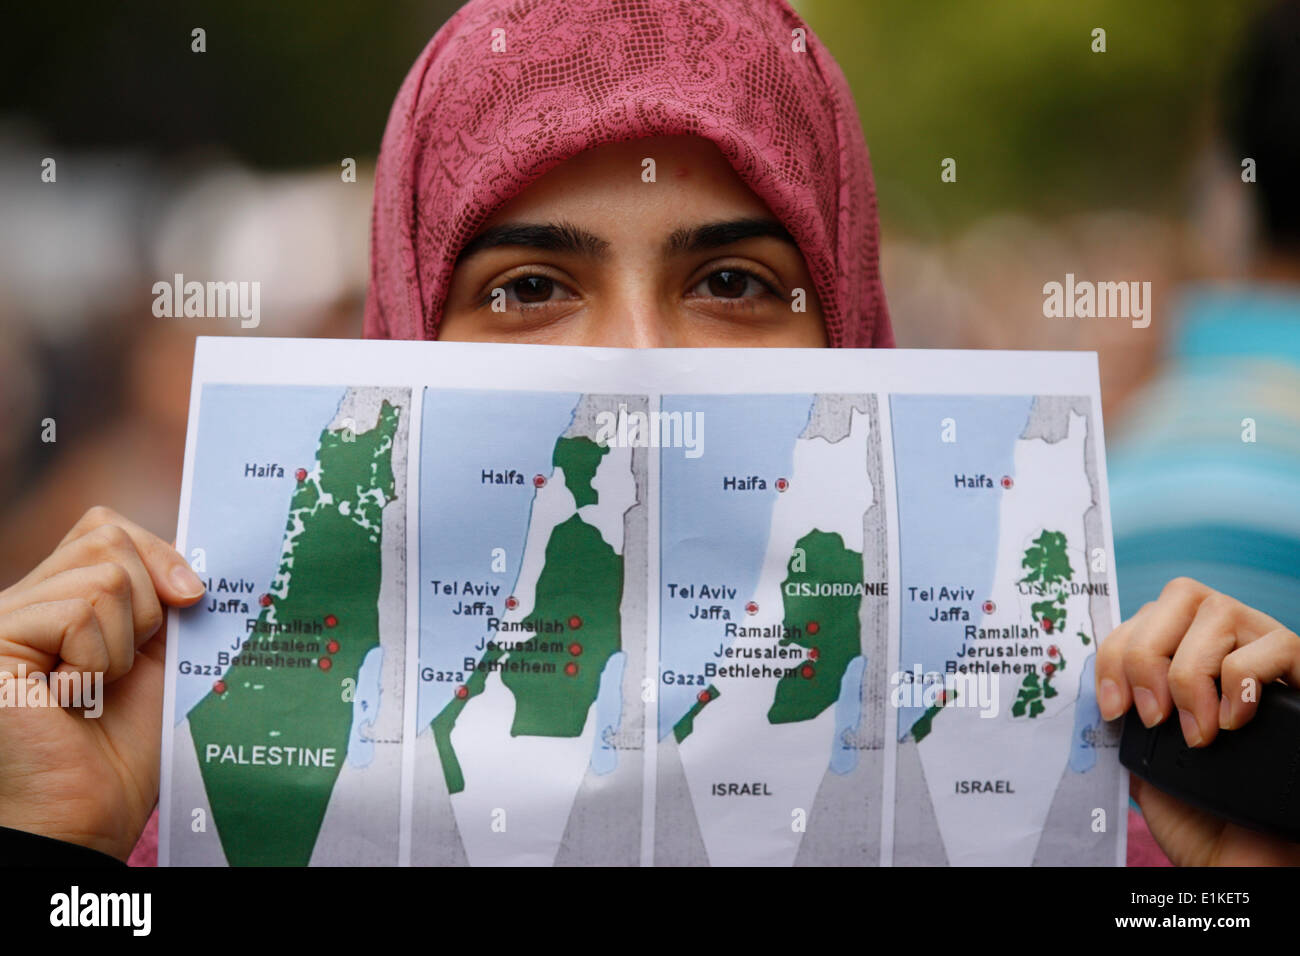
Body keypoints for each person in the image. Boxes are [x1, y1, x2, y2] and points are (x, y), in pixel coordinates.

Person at [0, 0, 1296, 867]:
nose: (636, 364)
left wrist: (1242, 875)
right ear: (401, 335)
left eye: (732, 281)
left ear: (846, 320)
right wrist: (50, 841)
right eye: (525, 290)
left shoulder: (1068, 828)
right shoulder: (176, 842)